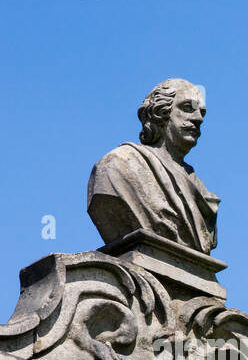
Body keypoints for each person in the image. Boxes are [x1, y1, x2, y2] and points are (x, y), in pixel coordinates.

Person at [87, 78, 219, 253]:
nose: (198, 119)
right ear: (160, 113)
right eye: (187, 108)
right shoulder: (119, 165)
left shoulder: (200, 188)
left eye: (202, 113)